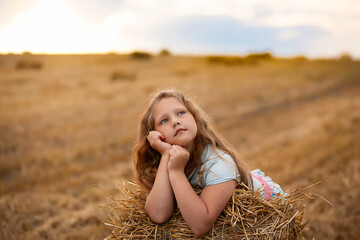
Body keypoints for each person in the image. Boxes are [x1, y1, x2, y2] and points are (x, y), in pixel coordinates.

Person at [132, 89, 284, 236]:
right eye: (164, 120)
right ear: (155, 135)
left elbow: (200, 225)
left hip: (267, 213)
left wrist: (176, 172)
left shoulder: (219, 164)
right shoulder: (162, 156)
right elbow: (158, 215)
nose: (175, 121)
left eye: (181, 113)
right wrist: (166, 155)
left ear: (194, 117)